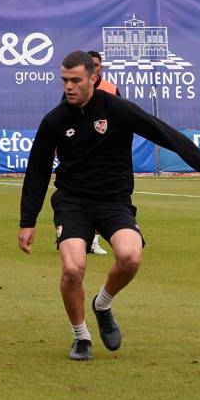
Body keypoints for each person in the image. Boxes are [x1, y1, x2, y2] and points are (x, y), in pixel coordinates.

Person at [18, 51, 200, 361]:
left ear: (93, 79)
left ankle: (102, 304)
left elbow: (167, 135)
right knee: (73, 269)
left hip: (113, 201)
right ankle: (81, 337)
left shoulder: (118, 109)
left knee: (130, 257)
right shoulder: (55, 120)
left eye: (75, 80)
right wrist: (27, 220)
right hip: (72, 201)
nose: (68, 87)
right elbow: (37, 170)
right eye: (64, 81)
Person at [88, 50, 120, 255]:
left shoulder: (111, 88)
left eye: (97, 64)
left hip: (106, 153)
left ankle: (94, 240)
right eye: (90, 64)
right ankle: (67, 232)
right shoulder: (75, 89)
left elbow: (122, 116)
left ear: (101, 67)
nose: (94, 67)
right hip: (82, 152)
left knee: (104, 196)